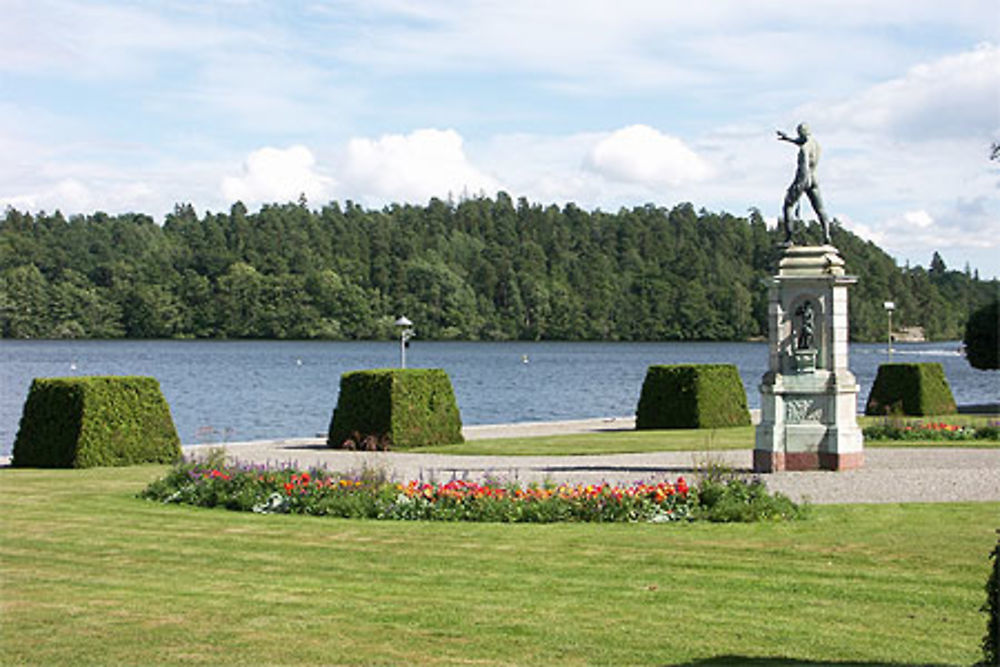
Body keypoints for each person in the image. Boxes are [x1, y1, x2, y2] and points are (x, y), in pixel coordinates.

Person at [777, 123, 831, 245]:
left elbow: (804, 167)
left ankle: (789, 238)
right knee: (820, 209)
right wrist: (788, 139)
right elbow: (801, 141)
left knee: (788, 206)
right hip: (814, 178)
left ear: (801, 133)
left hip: (804, 178)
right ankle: (826, 234)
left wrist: (799, 185)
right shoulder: (815, 144)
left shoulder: (804, 149)